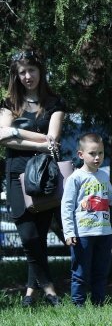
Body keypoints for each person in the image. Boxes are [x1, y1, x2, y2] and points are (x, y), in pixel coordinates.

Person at [0, 49, 66, 307]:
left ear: (41, 71)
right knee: (27, 235)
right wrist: (40, 143)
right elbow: (1, 136)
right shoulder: (9, 104)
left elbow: (54, 139)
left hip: (44, 176)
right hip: (17, 172)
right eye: (22, 72)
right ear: (16, 76)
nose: (27, 76)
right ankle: (49, 290)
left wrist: (17, 134)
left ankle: (29, 294)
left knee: (37, 236)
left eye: (32, 70)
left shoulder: (54, 103)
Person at [61, 133, 112, 306]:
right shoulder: (75, 178)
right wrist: (69, 232)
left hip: (104, 233)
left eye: (100, 153)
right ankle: (78, 306)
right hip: (83, 235)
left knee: (101, 272)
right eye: (92, 153)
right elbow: (67, 207)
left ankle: (98, 304)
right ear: (81, 155)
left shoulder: (103, 176)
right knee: (80, 272)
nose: (97, 157)